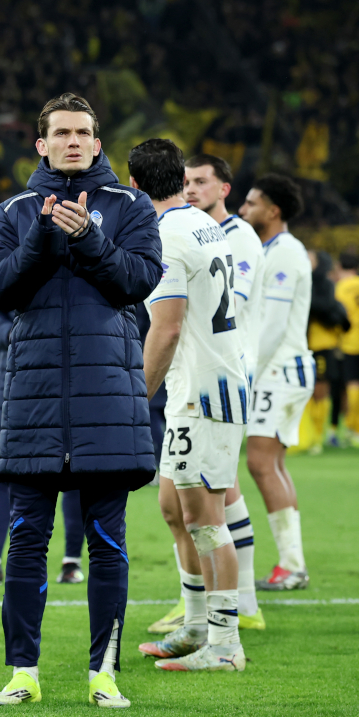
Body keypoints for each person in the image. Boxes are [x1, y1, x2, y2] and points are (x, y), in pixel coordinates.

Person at [0, 93, 161, 709]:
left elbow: (139, 281)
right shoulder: (13, 210)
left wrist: (88, 241)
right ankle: (21, 673)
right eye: (62, 132)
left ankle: (102, 674)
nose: (74, 141)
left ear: (98, 142)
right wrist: (42, 240)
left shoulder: (132, 207)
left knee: (107, 541)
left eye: (84, 132)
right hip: (34, 397)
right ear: (41, 143)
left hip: (107, 392)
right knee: (27, 538)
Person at [130, 139, 248, 672]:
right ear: (180, 177)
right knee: (174, 507)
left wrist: (138, 397)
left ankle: (225, 645)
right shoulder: (204, 223)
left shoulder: (164, 236)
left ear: (133, 185)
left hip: (204, 391)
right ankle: (197, 626)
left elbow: (168, 325)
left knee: (205, 518)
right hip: (202, 386)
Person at [0, 287, 87, 586]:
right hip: (19, 369)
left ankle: (70, 561)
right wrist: (15, 335)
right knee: (5, 466)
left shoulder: (88, 241)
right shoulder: (13, 241)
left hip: (76, 366)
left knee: (77, 464)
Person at [237, 174, 314, 592]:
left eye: (251, 204)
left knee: (261, 463)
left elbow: (273, 324)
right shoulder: (272, 250)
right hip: (280, 369)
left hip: (279, 370)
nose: (243, 210)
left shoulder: (284, 252)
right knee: (272, 464)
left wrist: (248, 372)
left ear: (273, 210)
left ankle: (292, 565)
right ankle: (293, 563)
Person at [300, 251, 350, 453]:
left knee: (320, 390)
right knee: (308, 391)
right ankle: (310, 435)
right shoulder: (305, 281)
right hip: (305, 345)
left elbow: (327, 307)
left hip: (321, 346)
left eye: (311, 259)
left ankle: (318, 437)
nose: (306, 261)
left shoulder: (323, 285)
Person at [334, 249, 359, 446]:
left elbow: (339, 316)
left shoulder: (341, 288)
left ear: (340, 266)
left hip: (350, 342)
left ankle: (356, 429)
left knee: (352, 383)